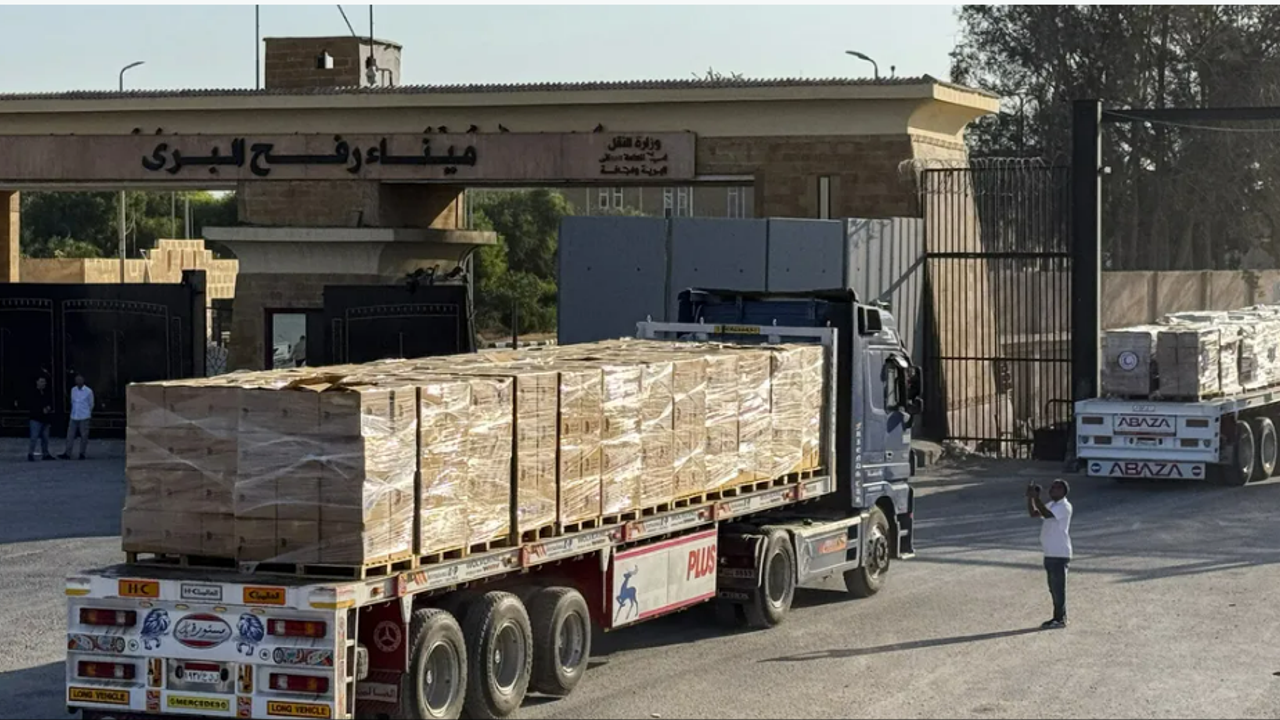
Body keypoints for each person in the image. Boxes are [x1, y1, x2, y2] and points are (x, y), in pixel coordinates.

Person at [1027, 479, 1073, 629]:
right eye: (1052, 487)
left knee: (1058, 588)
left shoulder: (1064, 506)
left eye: (1056, 488)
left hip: (1060, 553)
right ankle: (1057, 617)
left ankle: (1060, 618)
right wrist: (1031, 498)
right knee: (1053, 588)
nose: (1052, 490)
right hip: (1050, 552)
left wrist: (1036, 498)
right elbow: (1034, 513)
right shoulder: (1052, 504)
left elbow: (1047, 515)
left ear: (1064, 492)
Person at [60, 374, 94, 460]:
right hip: (74, 415)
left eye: (80, 380)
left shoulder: (88, 391)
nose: (78, 381)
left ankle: (82, 453)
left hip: (84, 416)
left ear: (83, 380)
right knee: (70, 435)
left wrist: (87, 412)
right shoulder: (73, 390)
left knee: (84, 436)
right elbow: (72, 401)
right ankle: (67, 453)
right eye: (77, 380)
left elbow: (91, 404)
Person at [26, 376, 54, 462]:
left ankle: (45, 453)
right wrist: (41, 410)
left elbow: (50, 403)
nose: (43, 383)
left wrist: (49, 408)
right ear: (37, 382)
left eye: (44, 382)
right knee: (34, 437)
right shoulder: (32, 393)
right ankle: (30, 454)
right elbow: (31, 405)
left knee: (45, 438)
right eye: (41, 381)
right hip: (36, 418)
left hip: (45, 419)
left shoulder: (46, 393)